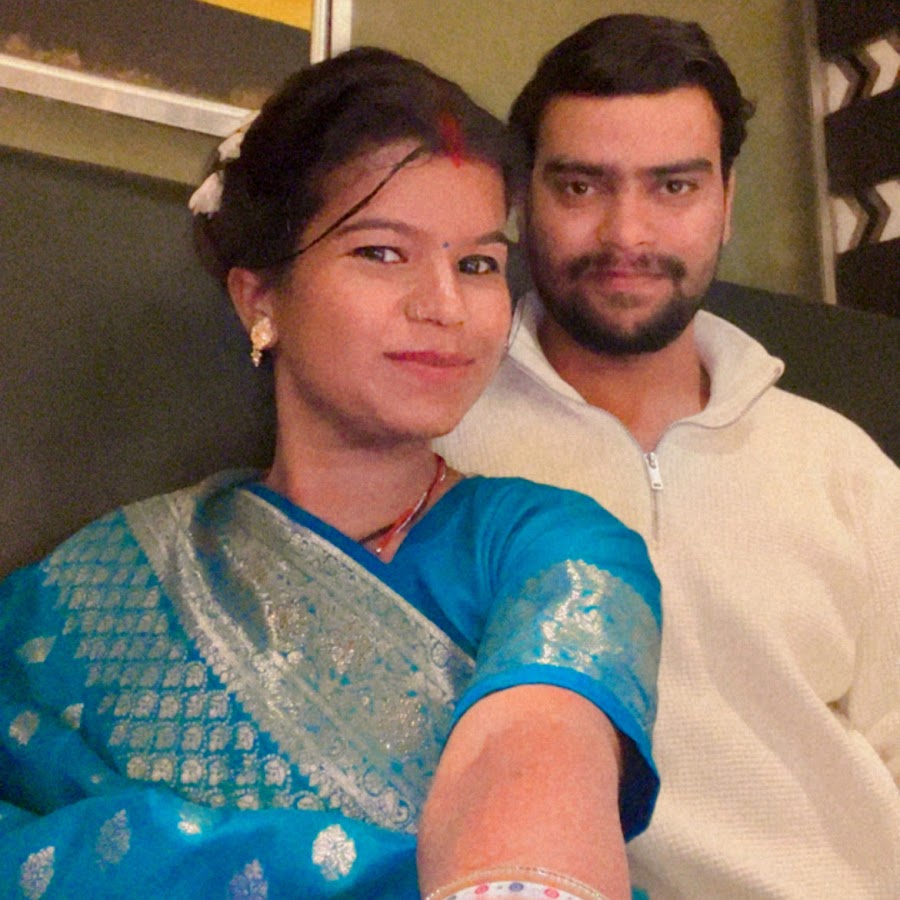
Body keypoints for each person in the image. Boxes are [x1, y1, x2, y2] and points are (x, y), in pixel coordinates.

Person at [0, 48, 662, 899]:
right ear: (260, 299)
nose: (446, 307)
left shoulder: (555, 547)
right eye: (383, 253)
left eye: (477, 264)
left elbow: (536, 758)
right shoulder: (99, 585)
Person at [436, 14, 900, 899]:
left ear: (726, 201)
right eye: (581, 186)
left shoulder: (842, 466)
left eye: (674, 186)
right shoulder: (439, 434)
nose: (628, 234)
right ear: (522, 198)